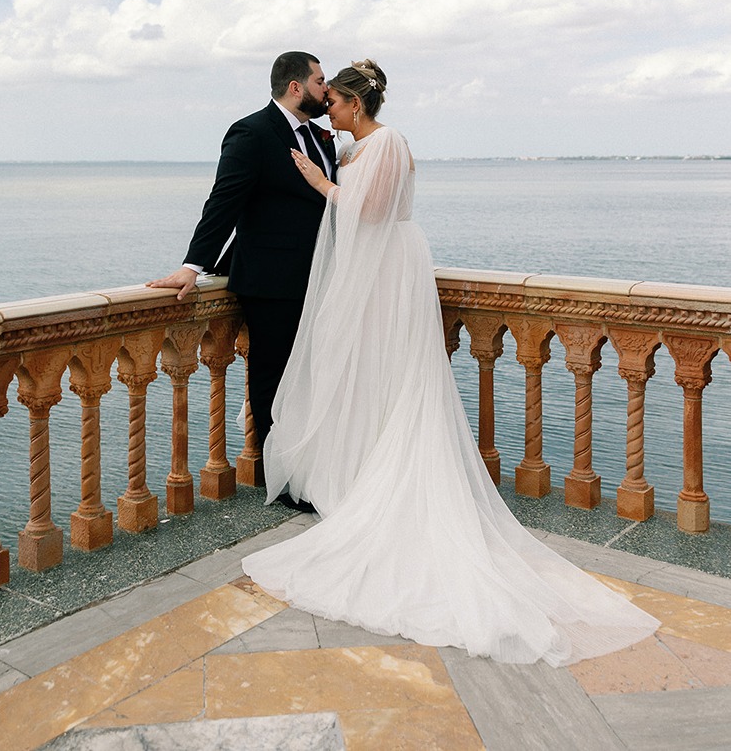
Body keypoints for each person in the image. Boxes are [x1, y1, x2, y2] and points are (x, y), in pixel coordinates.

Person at [241, 59, 660, 666]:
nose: (326, 111)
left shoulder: (387, 142)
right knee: (368, 372)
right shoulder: (362, 146)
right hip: (379, 268)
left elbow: (373, 213)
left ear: (356, 106)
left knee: (393, 372)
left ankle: (380, 484)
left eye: (332, 102)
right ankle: (357, 469)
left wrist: (317, 181)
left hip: (387, 270)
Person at [147, 51, 335, 460]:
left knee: (311, 377)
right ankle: (279, 475)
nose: (327, 89)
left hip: (321, 277)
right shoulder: (252, 132)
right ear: (295, 87)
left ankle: (311, 465)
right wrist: (192, 265)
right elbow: (223, 202)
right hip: (272, 280)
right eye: (321, 81)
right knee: (273, 379)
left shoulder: (321, 138)